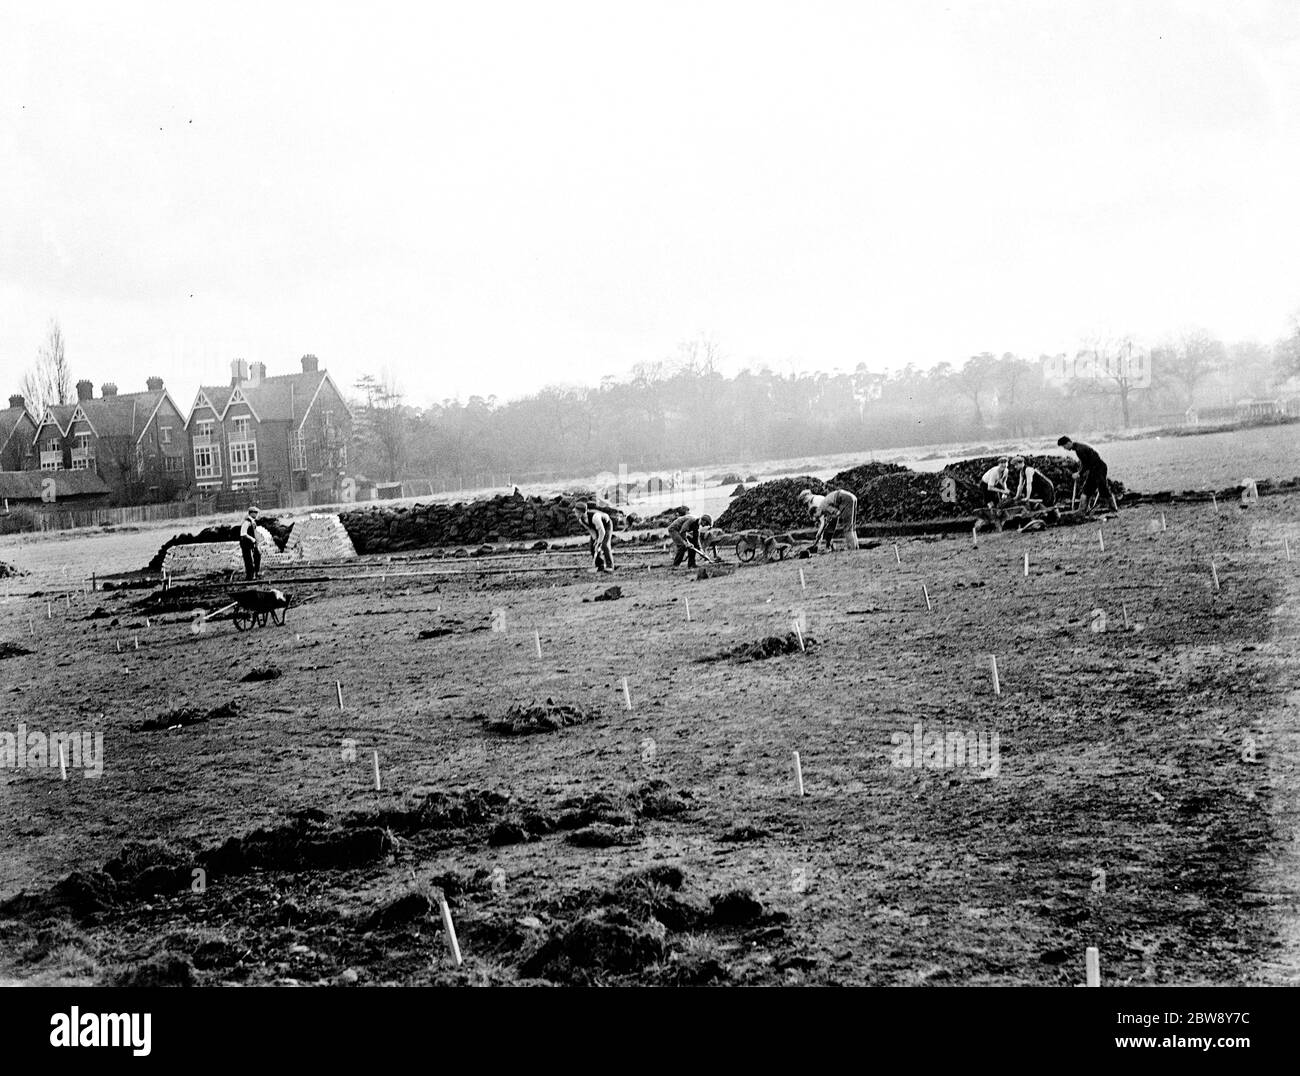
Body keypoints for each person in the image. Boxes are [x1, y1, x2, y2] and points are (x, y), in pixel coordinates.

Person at [1058, 436, 1119, 513]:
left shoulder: (1080, 449)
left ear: (1069, 443)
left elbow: (1086, 464)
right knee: (1087, 489)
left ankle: (1113, 508)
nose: (1064, 448)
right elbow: (1084, 463)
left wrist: (1079, 473)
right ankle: (1082, 511)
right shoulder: (1078, 448)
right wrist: (1079, 472)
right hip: (1094, 469)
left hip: (1099, 468)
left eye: (1064, 446)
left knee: (1103, 489)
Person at [573, 501, 615, 572]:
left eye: (576, 512)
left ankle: (610, 566)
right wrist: (595, 540)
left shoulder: (595, 517)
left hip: (606, 526)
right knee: (592, 546)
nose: (575, 514)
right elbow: (591, 529)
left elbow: (602, 531)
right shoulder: (581, 520)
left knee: (604, 545)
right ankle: (600, 565)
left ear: (581, 512)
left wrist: (599, 543)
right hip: (596, 528)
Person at [239, 506, 262, 581]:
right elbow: (243, 533)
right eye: (255, 513)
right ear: (251, 513)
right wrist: (252, 539)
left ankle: (255, 573)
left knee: (256, 557)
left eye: (257, 512)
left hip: (251, 543)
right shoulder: (247, 522)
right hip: (246, 543)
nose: (256, 514)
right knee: (248, 560)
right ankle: (250, 576)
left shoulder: (252, 522)